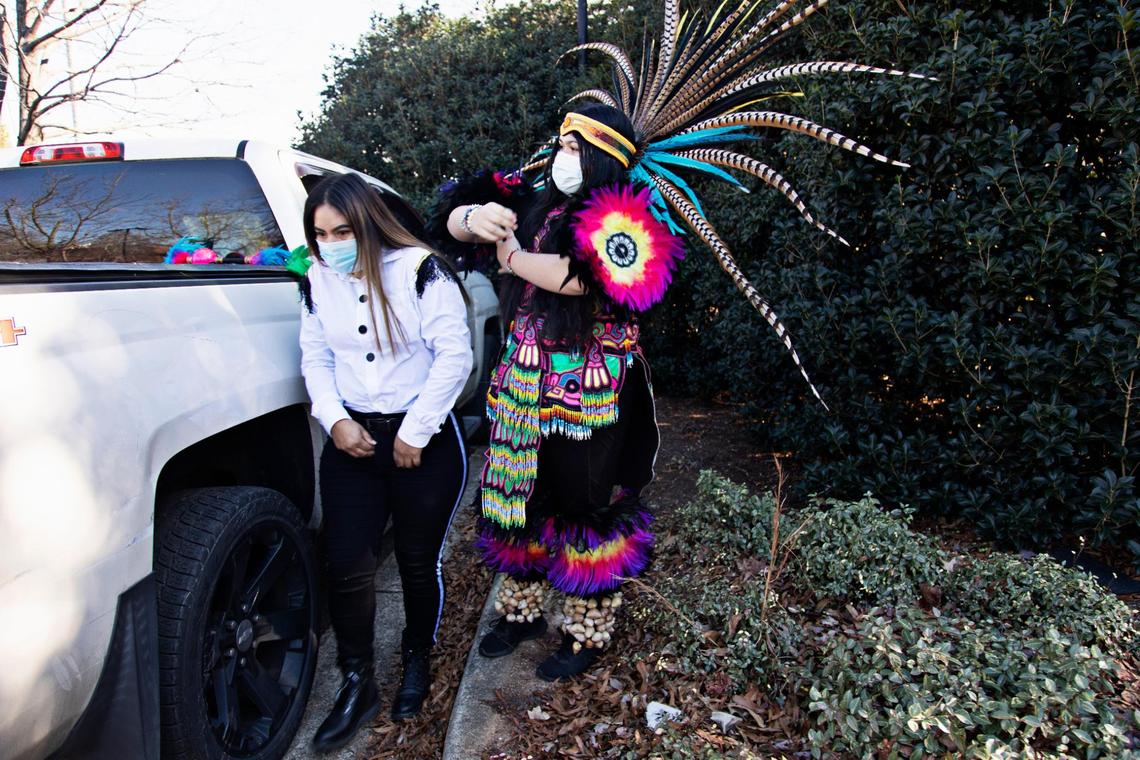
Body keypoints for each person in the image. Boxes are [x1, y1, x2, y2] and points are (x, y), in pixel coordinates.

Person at [427, 103, 672, 681]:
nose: (560, 152)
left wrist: (511, 257)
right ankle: (520, 613)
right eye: (559, 141)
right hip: (522, 379)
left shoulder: (629, 217)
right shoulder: (535, 200)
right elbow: (446, 222)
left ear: (601, 155)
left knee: (584, 501)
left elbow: (584, 277)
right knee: (518, 494)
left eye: (573, 144)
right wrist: (474, 216)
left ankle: (586, 631)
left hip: (591, 388)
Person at [299, 173, 472, 750]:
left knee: (420, 563)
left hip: (422, 442)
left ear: (368, 223)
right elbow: (315, 356)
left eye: (342, 230)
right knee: (346, 563)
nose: (331, 243)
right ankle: (356, 680)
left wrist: (417, 429)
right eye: (321, 233)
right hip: (352, 441)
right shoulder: (316, 279)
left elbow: (455, 354)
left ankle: (416, 658)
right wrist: (334, 418)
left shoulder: (420, 269)